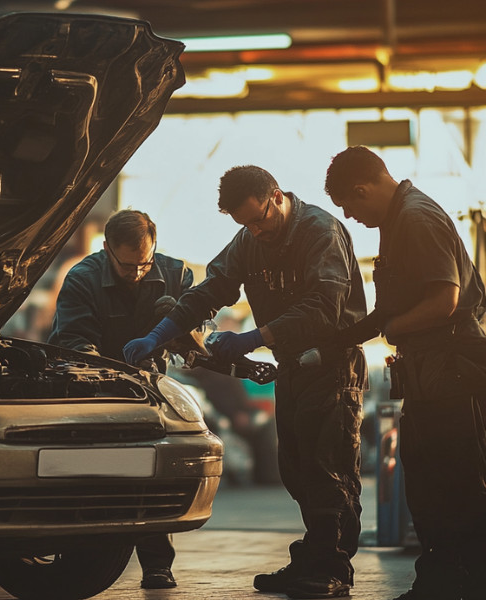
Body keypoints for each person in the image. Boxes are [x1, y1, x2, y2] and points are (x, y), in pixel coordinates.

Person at [124, 165, 368, 599]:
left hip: (333, 367)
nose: (256, 231)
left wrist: (254, 338)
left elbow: (323, 306)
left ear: (276, 196)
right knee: (296, 469)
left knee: (329, 469)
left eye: (260, 219)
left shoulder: (320, 231)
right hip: (293, 366)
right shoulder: (249, 240)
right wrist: (159, 334)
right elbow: (210, 289)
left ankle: (333, 568)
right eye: (245, 224)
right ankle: (313, 558)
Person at [324, 146, 486, 600]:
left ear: (360, 189)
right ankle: (439, 582)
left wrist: (393, 329)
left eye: (349, 208)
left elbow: (444, 300)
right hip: (430, 374)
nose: (351, 217)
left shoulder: (415, 218)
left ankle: (466, 583)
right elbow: (391, 306)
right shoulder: (396, 221)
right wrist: (341, 337)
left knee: (455, 484)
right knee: (428, 482)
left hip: (451, 371)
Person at [46, 208, 195, 589]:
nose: (139, 273)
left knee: (152, 472)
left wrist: (190, 341)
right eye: (128, 266)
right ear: (107, 249)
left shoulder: (177, 274)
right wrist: (107, 377)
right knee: (70, 474)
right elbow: (75, 341)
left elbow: (197, 324)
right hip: (88, 389)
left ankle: (157, 565)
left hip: (149, 390)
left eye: (145, 263)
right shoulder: (82, 278)